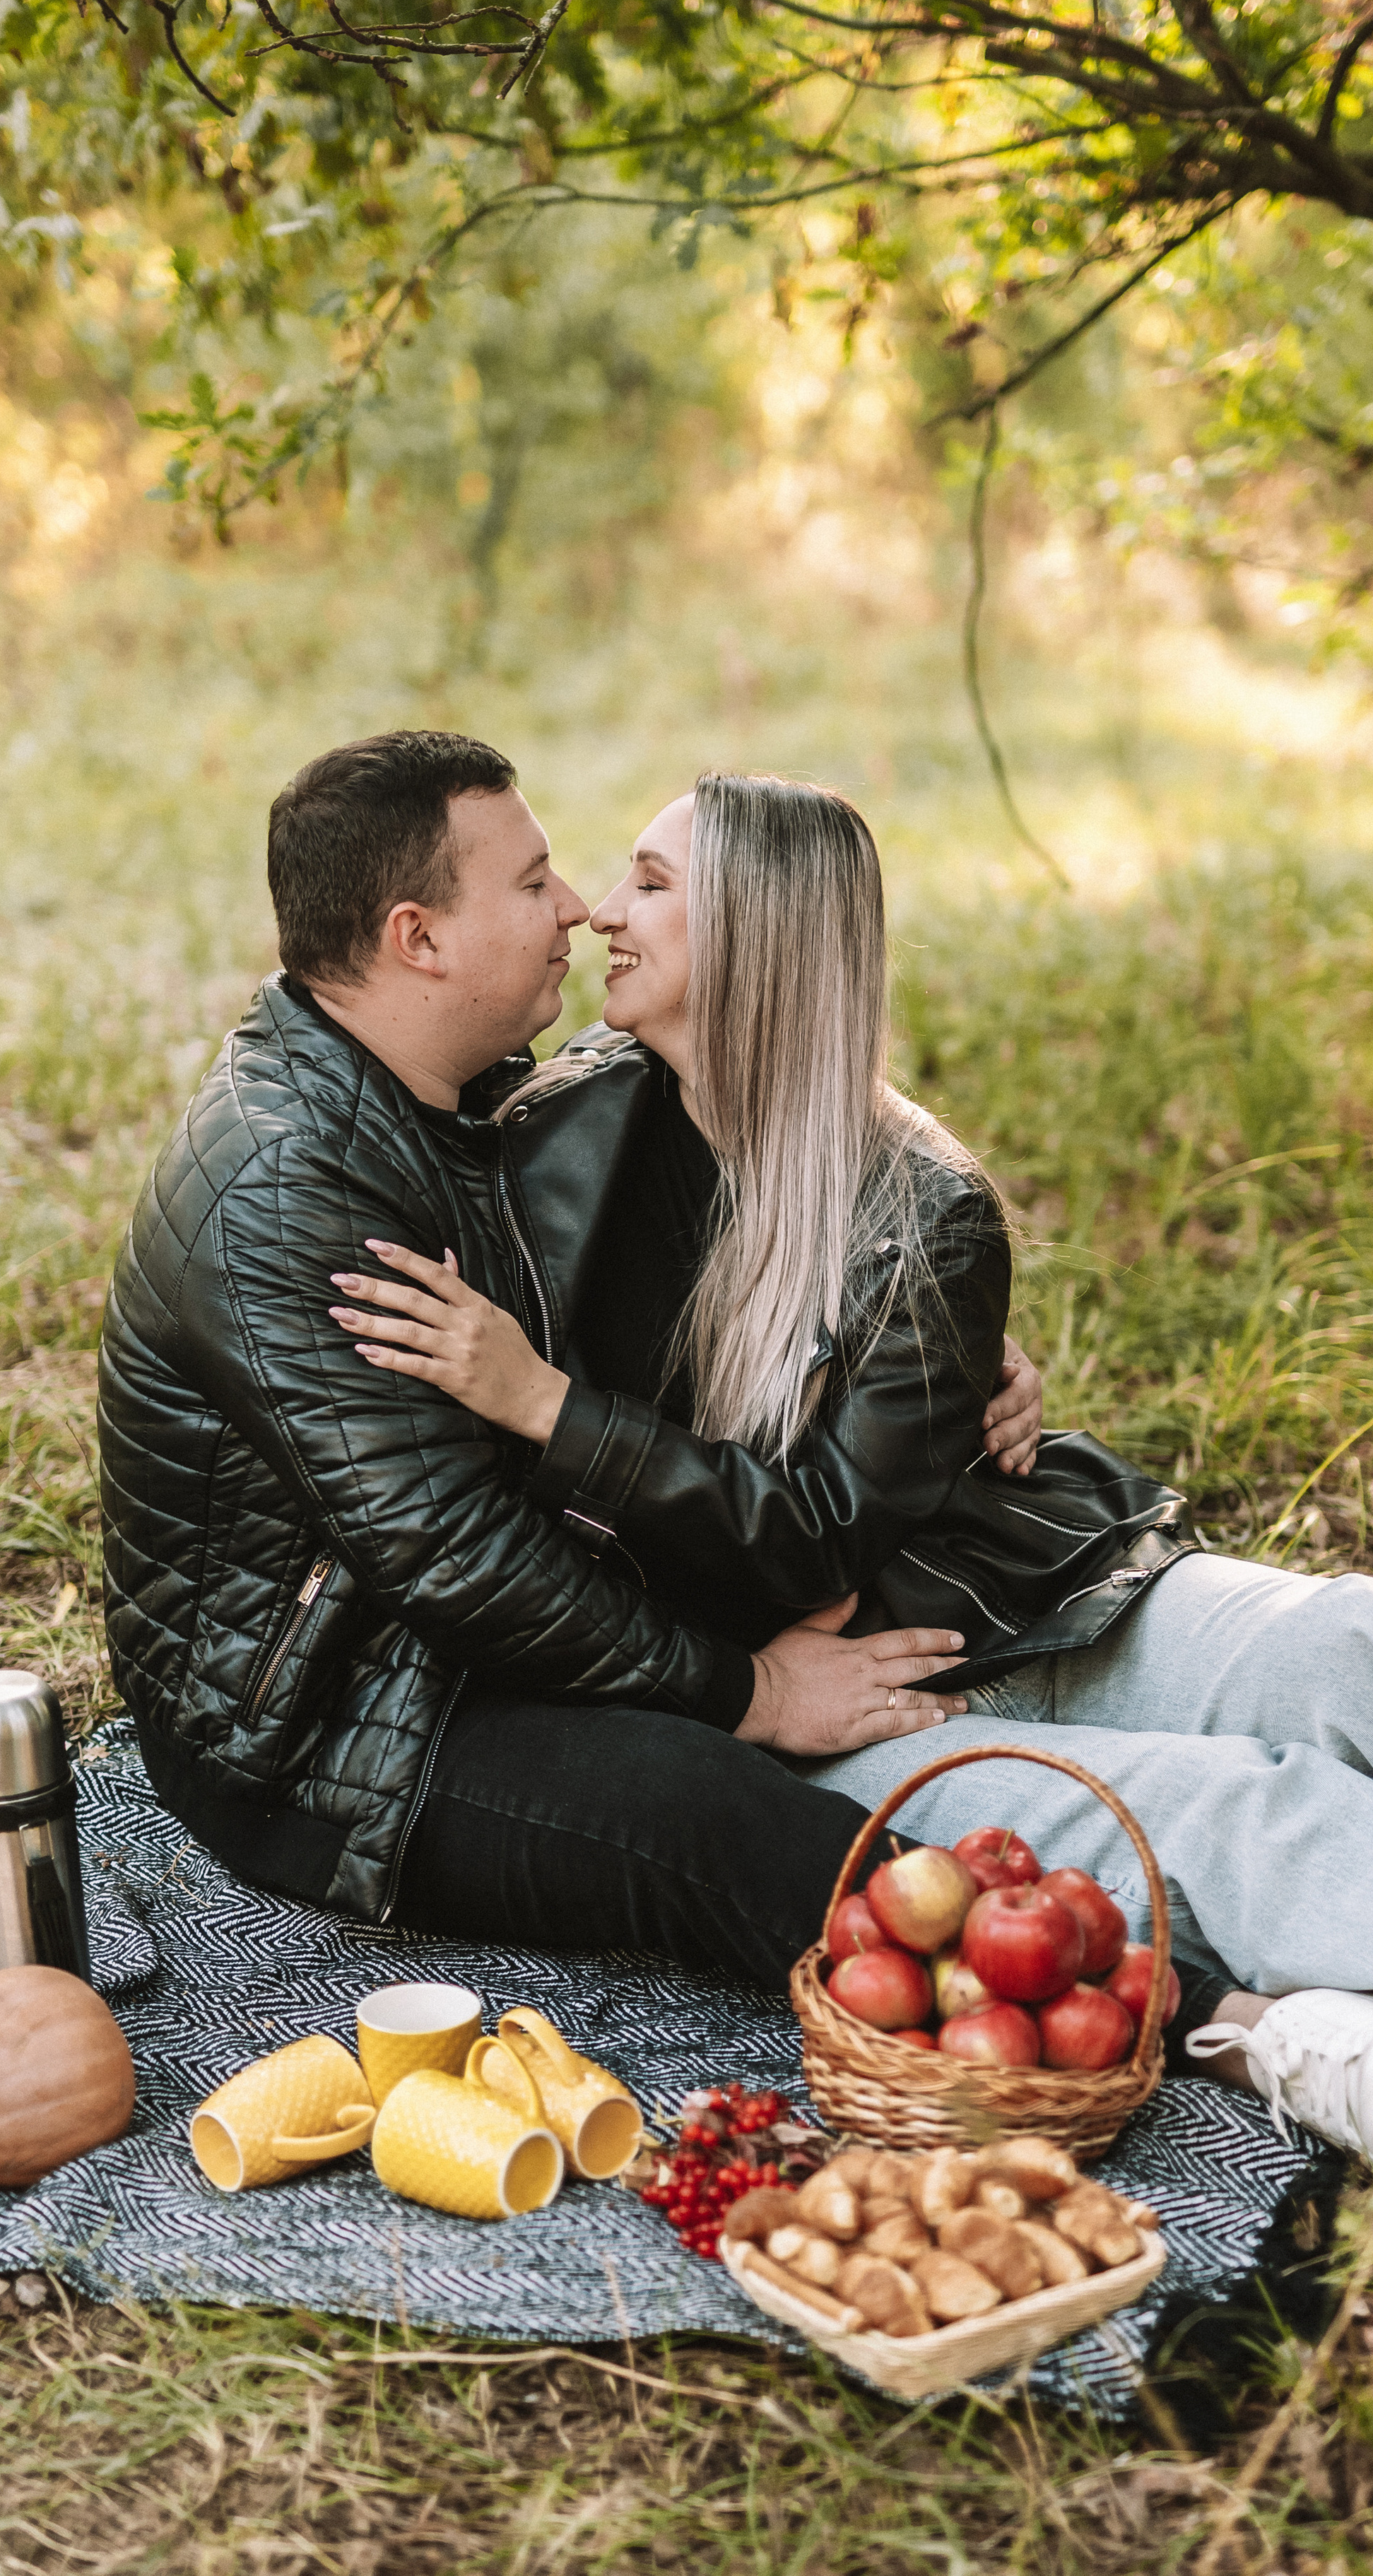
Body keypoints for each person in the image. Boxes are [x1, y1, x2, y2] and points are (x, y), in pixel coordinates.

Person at [328, 772, 1373, 2172]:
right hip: (802, 1708)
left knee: (1345, 1637)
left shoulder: (921, 1201)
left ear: (760, 942)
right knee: (1260, 1811)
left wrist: (570, 1406)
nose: (600, 915)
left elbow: (813, 1526)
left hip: (990, 1581)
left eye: (651, 885)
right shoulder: (547, 1139)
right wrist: (543, 1410)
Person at [98, 729, 1042, 1999]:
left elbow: (724, 1211)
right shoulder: (286, 1190)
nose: (579, 907)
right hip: (332, 1730)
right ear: (419, 938)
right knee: (700, 1803)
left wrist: (933, 1336)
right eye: (535, 881)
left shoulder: (460, 1092)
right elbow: (456, 1558)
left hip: (456, 1631)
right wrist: (749, 1690)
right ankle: (1126, 2008)